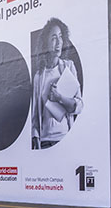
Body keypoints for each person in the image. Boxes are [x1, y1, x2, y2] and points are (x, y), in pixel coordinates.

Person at [32, 18, 84, 150]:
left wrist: (59, 97)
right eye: (54, 38)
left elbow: (79, 106)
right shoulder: (38, 76)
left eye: (60, 37)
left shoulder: (68, 67)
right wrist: (36, 139)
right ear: (46, 44)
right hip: (44, 143)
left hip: (64, 138)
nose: (58, 42)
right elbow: (35, 118)